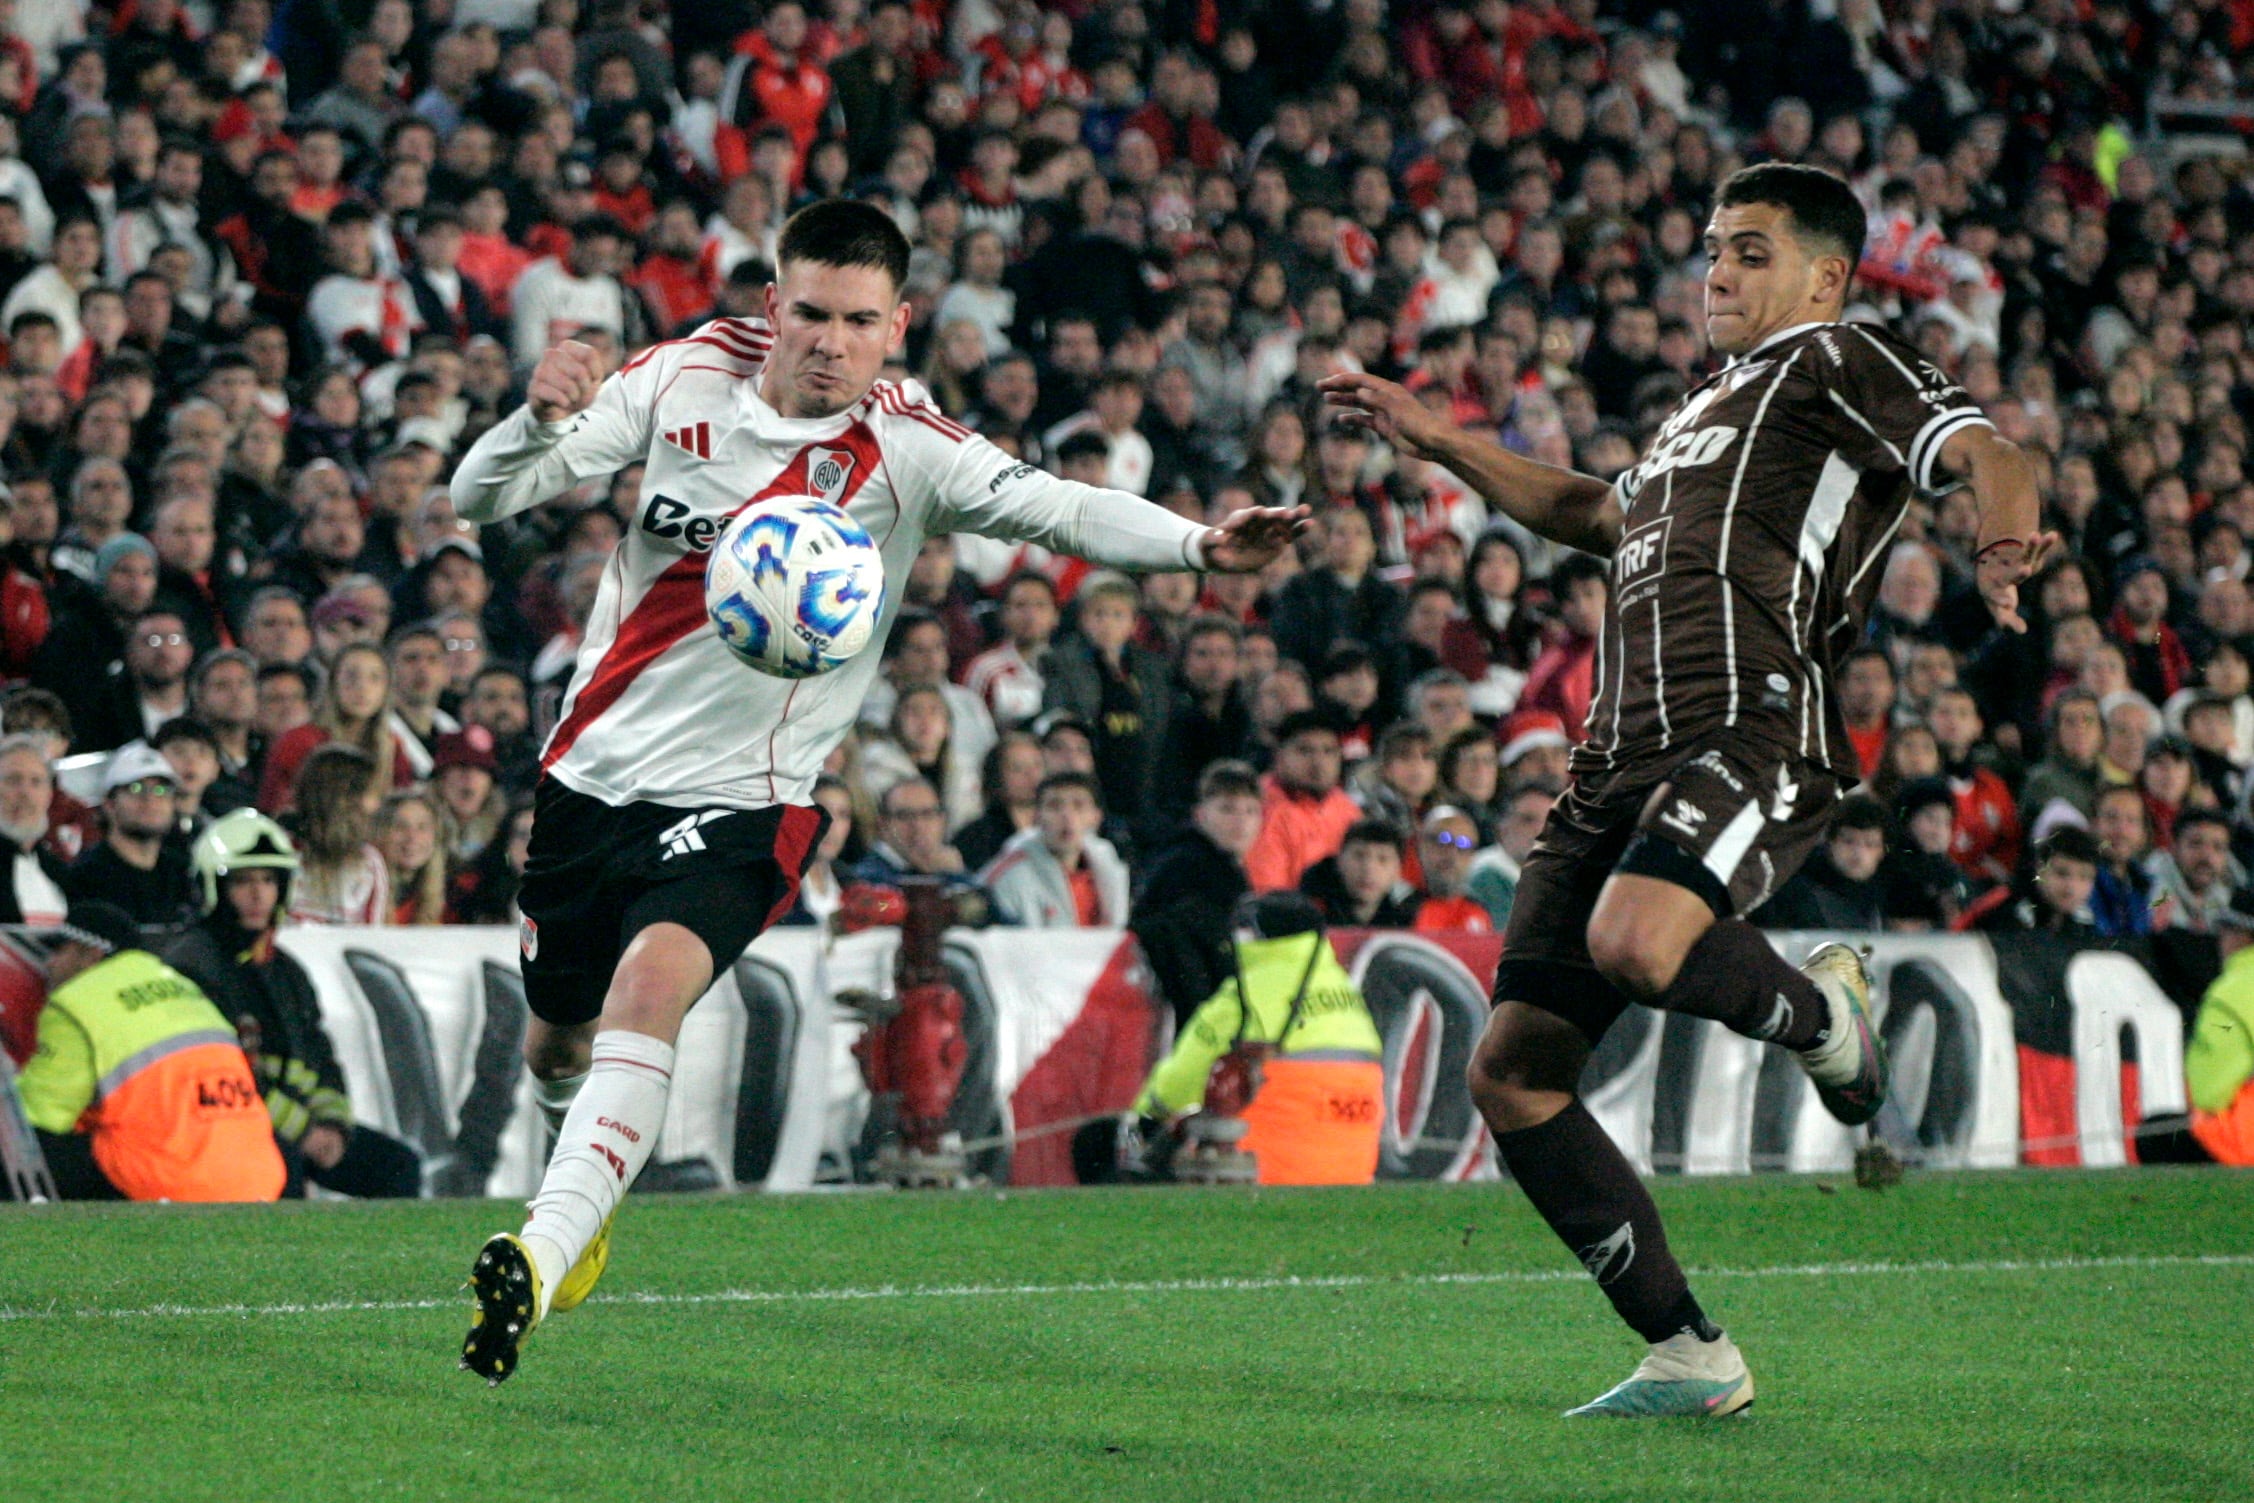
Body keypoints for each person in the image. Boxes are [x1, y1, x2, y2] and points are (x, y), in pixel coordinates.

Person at [443, 198, 1304, 1382]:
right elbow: (480, 500)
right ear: (771, 307)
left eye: (858, 321)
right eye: (808, 313)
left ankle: (536, 1258)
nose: (829, 343)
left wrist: (1200, 546)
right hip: (589, 779)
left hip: (754, 797)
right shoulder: (679, 379)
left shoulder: (911, 449)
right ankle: (576, 1208)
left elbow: (1058, 508)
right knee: (555, 1041)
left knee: (648, 992)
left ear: (896, 325)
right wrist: (531, 422)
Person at [1321, 162, 2045, 1417]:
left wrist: (1998, 535)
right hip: (1614, 757)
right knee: (1513, 1072)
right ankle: (1687, 1351)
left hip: (1752, 722)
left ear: (1825, 276)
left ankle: (1824, 1019)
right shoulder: (1692, 418)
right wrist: (1437, 436)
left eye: (1751, 250)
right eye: (1713, 246)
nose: (1716, 268)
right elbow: (1588, 510)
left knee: (1638, 941)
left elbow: (1987, 449)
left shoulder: (1834, 363)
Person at [166, 810, 423, 1198]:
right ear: (212, 887)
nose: (258, 895)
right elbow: (224, 1075)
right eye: (242, 881)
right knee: (284, 1167)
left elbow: (318, 1056)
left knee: (398, 1165)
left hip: (298, 1127)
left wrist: (334, 1125)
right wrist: (304, 1131)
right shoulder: (193, 965)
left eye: (269, 880)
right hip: (224, 1125)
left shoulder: (286, 970)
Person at [12, 900, 284, 1203]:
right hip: (255, 1180)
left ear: (90, 955)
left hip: (170, 1183)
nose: (49, 964)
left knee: (14, 1145)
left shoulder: (75, 1004)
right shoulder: (185, 987)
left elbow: (39, 1115)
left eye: (59, 950)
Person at [1127, 892, 1384, 1186]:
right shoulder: (1346, 992)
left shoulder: (1244, 998)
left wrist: (1145, 1120)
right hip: (1352, 1173)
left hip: (1265, 1173)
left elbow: (1176, 1089)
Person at [1131, 760, 1261, 1026]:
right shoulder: (1188, 867)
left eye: (1250, 811)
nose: (1241, 821)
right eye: (1227, 809)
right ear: (1200, 814)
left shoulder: (1222, 866)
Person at [62, 742, 198, 927]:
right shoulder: (86, 877)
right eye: (136, 788)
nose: (150, 800)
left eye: (161, 790)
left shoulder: (181, 873)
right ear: (109, 804)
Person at [979, 771, 1128, 927]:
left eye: (1078, 806)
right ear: (1036, 817)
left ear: (1096, 817)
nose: (1067, 816)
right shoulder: (1009, 875)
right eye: (1054, 806)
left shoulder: (1109, 871)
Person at [1243, 710, 1360, 893]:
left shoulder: (1346, 807)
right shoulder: (1260, 809)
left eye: (1328, 751)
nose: (1318, 762)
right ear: (1279, 756)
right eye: (1305, 751)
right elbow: (1268, 895)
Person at [2187, 888, 2254, 1166]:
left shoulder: (2229, 993)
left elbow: (2208, 1093)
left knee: (2156, 1135)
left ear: (2241, 936)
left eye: (2225, 931)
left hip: (2244, 1142)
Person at [1300, 818, 1423, 927]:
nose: (1368, 868)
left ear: (1398, 871)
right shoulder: (1307, 910)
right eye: (1359, 856)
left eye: (1383, 859)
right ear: (1339, 861)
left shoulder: (1410, 915)